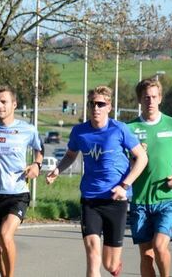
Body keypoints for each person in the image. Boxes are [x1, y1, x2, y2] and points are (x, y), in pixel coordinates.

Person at [46, 85, 148, 277]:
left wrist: (124, 186)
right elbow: (70, 155)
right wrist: (58, 169)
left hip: (115, 199)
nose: (96, 108)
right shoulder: (79, 132)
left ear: (109, 107)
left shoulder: (120, 129)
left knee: (109, 264)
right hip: (90, 198)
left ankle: (115, 265)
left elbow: (142, 158)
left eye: (100, 104)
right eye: (92, 103)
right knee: (93, 255)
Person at [127, 78, 172, 277]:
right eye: (146, 97)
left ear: (160, 98)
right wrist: (134, 156)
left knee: (160, 246)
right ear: (139, 100)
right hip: (140, 199)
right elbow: (124, 163)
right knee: (146, 256)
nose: (150, 101)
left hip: (167, 198)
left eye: (153, 97)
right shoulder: (129, 129)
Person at [0, 86, 43, 277]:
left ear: (14, 104)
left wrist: (36, 165)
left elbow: (39, 149)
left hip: (17, 193)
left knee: (6, 235)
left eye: (4, 102)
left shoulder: (27, 129)